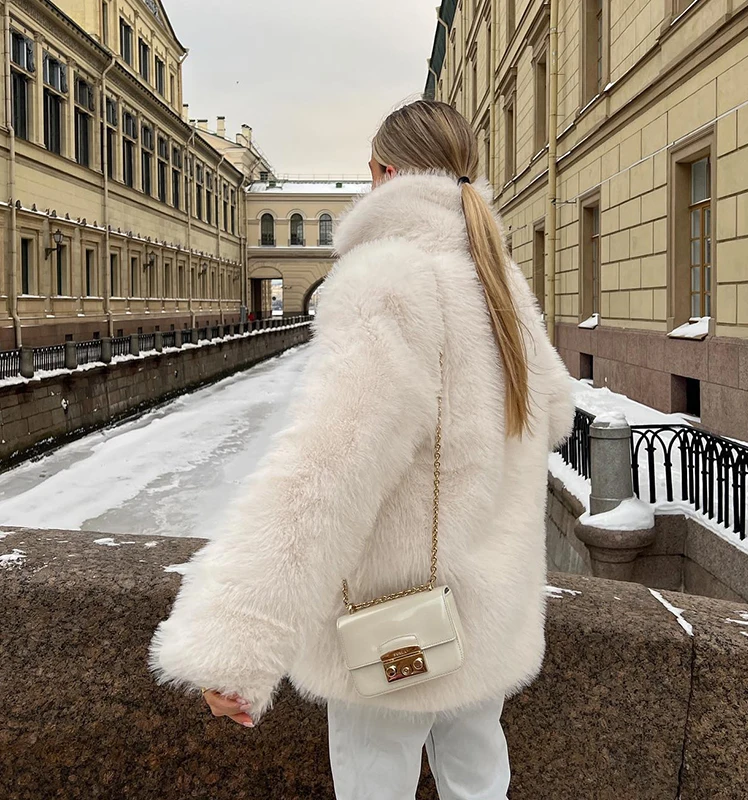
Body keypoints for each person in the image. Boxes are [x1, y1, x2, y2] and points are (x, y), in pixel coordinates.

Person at [149, 99, 574, 800]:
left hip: (392, 628)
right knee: (480, 784)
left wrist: (237, 636)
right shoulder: (498, 283)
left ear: (381, 172)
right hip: (490, 616)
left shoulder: (389, 280)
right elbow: (553, 411)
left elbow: (325, 470)